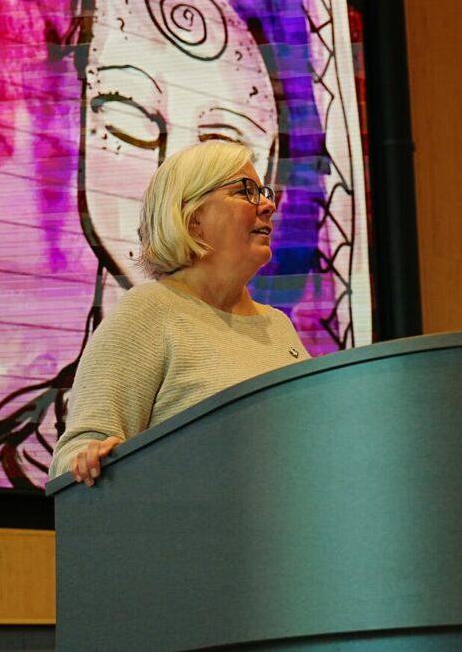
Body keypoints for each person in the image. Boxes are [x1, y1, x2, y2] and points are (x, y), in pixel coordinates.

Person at [49, 140, 310, 485]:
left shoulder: (277, 327)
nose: (267, 205)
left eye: (262, 191)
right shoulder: (149, 313)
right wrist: (90, 459)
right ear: (192, 219)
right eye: (245, 191)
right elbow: (76, 454)